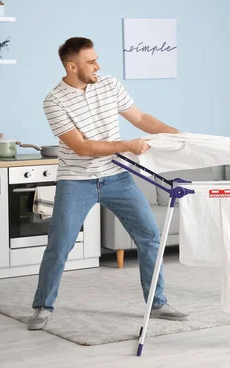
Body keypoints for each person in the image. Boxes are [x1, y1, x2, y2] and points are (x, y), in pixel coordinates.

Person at [27, 37, 189, 330]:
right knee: (60, 244)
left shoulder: (110, 84)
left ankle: (157, 302)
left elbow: (139, 117)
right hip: (77, 180)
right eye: (91, 62)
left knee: (150, 236)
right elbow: (82, 148)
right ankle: (42, 306)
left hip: (117, 176)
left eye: (97, 59)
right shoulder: (54, 101)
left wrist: (176, 135)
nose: (98, 66)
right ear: (71, 66)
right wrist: (127, 145)